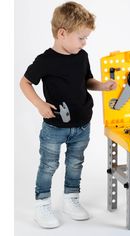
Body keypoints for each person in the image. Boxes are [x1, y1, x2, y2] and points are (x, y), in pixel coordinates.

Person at [19, 1, 116, 229]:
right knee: (49, 165)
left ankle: (71, 199)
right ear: (62, 33)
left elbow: (86, 81)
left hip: (82, 125)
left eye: (86, 38)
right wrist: (39, 104)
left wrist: (102, 86)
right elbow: (24, 82)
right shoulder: (45, 60)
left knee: (75, 163)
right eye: (81, 37)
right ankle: (42, 204)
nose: (84, 42)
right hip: (54, 128)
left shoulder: (81, 56)